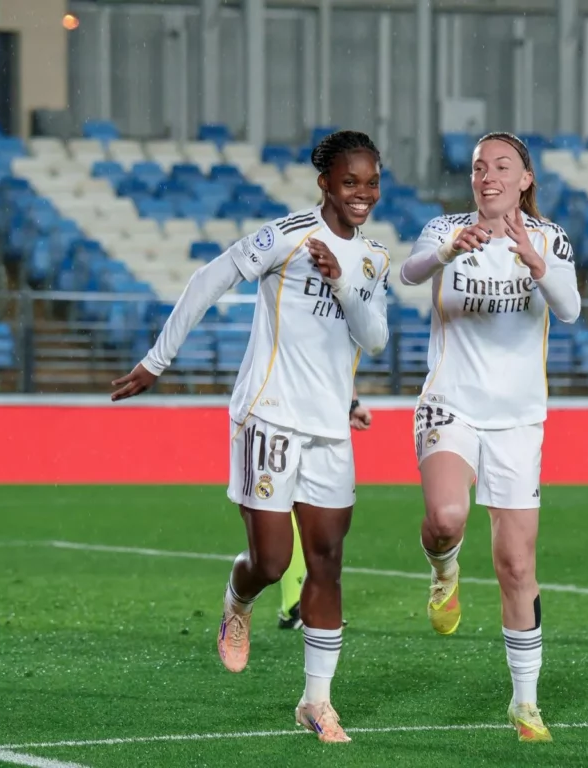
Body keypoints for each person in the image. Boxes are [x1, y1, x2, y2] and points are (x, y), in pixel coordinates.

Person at [110, 130, 390, 743]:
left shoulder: (372, 258)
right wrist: (157, 361)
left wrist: (343, 284)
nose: (362, 194)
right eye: (350, 182)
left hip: (328, 430)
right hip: (268, 415)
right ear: (325, 183)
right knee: (272, 560)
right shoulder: (285, 236)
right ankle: (238, 603)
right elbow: (208, 279)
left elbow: (373, 339)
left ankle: (317, 702)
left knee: (327, 562)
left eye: (371, 182)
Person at [398, 131, 581, 742]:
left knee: (515, 563)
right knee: (448, 516)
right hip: (451, 402)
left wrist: (538, 265)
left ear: (525, 178)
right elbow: (409, 271)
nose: (489, 175)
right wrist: (448, 250)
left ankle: (524, 703)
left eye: (503, 165)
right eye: (480, 166)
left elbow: (572, 308)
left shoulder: (550, 239)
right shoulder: (444, 229)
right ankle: (443, 565)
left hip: (519, 420)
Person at [277, 391, 372, 630]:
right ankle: (293, 604)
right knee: (284, 505)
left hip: (321, 416)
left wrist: (351, 401)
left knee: (318, 514)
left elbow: (340, 357)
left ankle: (304, 603)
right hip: (277, 410)